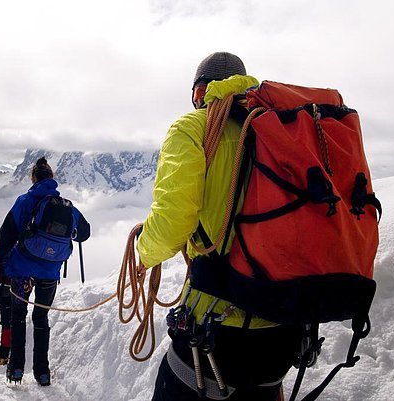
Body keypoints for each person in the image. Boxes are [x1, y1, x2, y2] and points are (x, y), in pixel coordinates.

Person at [137, 52, 302, 401]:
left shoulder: (191, 128)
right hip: (283, 329)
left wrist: (143, 253)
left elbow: (171, 224)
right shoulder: (283, 131)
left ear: (200, 94)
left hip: (214, 331)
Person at [0, 157, 90, 386]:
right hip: (50, 272)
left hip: (22, 269)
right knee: (41, 318)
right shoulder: (66, 206)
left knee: (18, 317)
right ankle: (42, 373)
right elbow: (84, 233)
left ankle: (15, 370)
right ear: (52, 178)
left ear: (33, 178)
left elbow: (6, 236)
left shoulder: (24, 201)